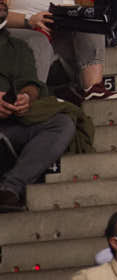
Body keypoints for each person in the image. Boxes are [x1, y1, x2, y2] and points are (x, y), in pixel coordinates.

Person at [0, 11, 75, 214]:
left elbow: (31, 83)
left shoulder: (17, 46)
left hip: (10, 127)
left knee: (62, 123)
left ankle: (9, 188)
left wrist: (26, 97)